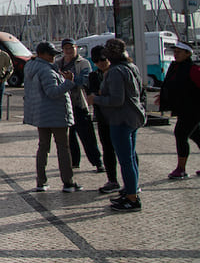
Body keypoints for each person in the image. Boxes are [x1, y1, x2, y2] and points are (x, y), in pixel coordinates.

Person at [88, 38, 147, 212]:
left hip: (121, 119)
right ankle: (131, 190)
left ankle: (132, 198)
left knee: (126, 160)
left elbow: (116, 99)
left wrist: (96, 98)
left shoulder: (115, 72)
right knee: (130, 157)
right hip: (134, 117)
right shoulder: (131, 67)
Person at [23, 42, 79, 193]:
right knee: (63, 148)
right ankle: (68, 182)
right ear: (42, 54)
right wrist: (68, 83)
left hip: (41, 115)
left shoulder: (31, 67)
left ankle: (41, 181)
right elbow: (53, 92)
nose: (54, 57)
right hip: (56, 115)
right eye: (51, 54)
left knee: (43, 147)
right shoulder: (46, 70)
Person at [55, 38, 102, 172]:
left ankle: (97, 162)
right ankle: (74, 162)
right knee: (70, 138)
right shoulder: (58, 63)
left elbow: (85, 80)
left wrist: (72, 79)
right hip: (64, 105)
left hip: (79, 103)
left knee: (87, 136)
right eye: (66, 49)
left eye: (71, 48)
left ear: (76, 48)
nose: (69, 51)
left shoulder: (83, 63)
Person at [158, 42, 200, 180]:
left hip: (193, 109)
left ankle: (181, 169)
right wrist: (163, 96)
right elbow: (171, 85)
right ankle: (181, 168)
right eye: (175, 51)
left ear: (188, 54)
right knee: (195, 135)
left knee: (180, 134)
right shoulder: (175, 67)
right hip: (183, 108)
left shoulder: (193, 69)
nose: (176, 54)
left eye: (179, 52)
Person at [87, 47, 120, 194]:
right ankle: (112, 180)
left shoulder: (117, 72)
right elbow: (91, 95)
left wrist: (100, 96)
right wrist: (100, 96)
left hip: (120, 118)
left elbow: (114, 95)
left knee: (126, 152)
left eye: (102, 59)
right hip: (103, 118)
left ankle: (132, 184)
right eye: (95, 61)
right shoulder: (94, 76)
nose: (99, 63)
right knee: (107, 149)